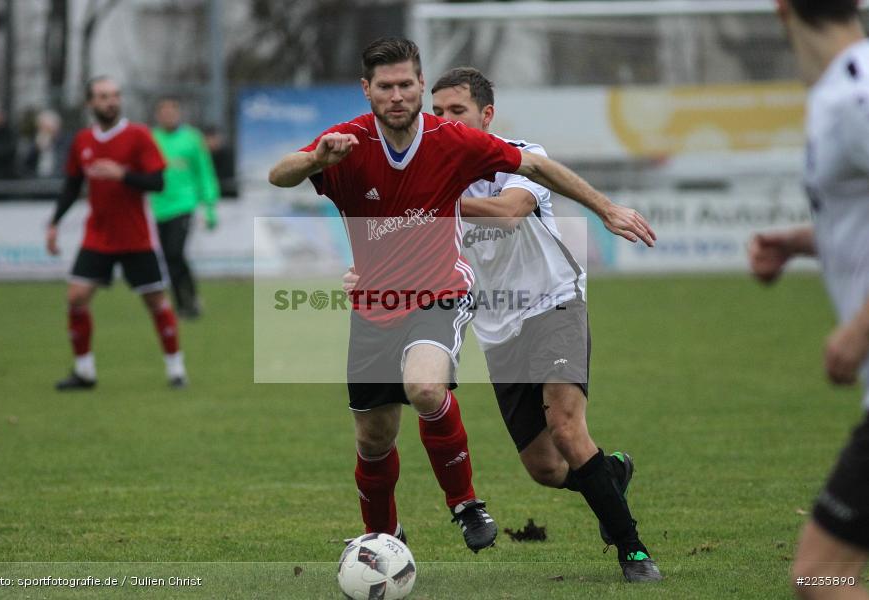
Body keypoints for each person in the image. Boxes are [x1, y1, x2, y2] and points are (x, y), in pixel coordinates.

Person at [268, 37, 655, 554]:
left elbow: (514, 205)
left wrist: (606, 209)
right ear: (368, 91)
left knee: (545, 420)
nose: (406, 98)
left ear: (484, 114)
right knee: (538, 467)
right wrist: (363, 251)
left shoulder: (467, 152)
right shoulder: (357, 144)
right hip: (486, 323)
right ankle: (605, 476)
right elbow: (286, 177)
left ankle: (625, 546)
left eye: (411, 86)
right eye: (388, 87)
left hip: (547, 302)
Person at [749, 2, 869, 597]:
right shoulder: (843, 91)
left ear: (783, 11)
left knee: (819, 576)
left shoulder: (854, 95)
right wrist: (804, 241)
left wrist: (860, 328)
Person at [46, 76, 187, 390]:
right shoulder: (82, 140)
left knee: (155, 301)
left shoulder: (138, 135)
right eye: (102, 96)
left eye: (114, 95)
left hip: (136, 235)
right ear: (90, 103)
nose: (110, 101)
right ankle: (84, 372)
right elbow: (71, 186)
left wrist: (122, 174)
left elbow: (157, 183)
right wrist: (54, 223)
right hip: (98, 235)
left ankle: (176, 369)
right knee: (76, 297)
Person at [150, 97, 220, 319]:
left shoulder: (192, 138)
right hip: (159, 206)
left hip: (184, 205)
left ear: (178, 114)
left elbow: (205, 172)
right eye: (164, 112)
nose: (168, 116)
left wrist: (209, 206)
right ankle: (182, 303)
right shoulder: (151, 139)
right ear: (158, 116)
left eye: (172, 112)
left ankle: (188, 300)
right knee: (169, 258)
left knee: (175, 252)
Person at [24, 109, 72, 179]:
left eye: (47, 127)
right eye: (41, 127)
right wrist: (36, 149)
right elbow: (26, 165)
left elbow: (64, 164)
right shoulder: (34, 142)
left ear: (57, 126)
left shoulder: (66, 141)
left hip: (58, 181)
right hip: (37, 182)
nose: (44, 130)